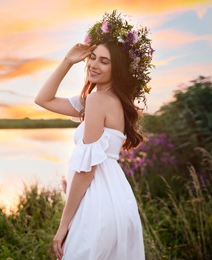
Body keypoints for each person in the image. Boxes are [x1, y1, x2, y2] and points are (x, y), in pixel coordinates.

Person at [34, 11, 154, 260]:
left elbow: (87, 170)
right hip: (118, 198)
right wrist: (68, 60)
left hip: (97, 204)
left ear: (118, 68)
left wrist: (63, 224)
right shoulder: (105, 100)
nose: (93, 64)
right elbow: (42, 99)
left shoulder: (98, 100)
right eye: (93, 57)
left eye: (104, 61)